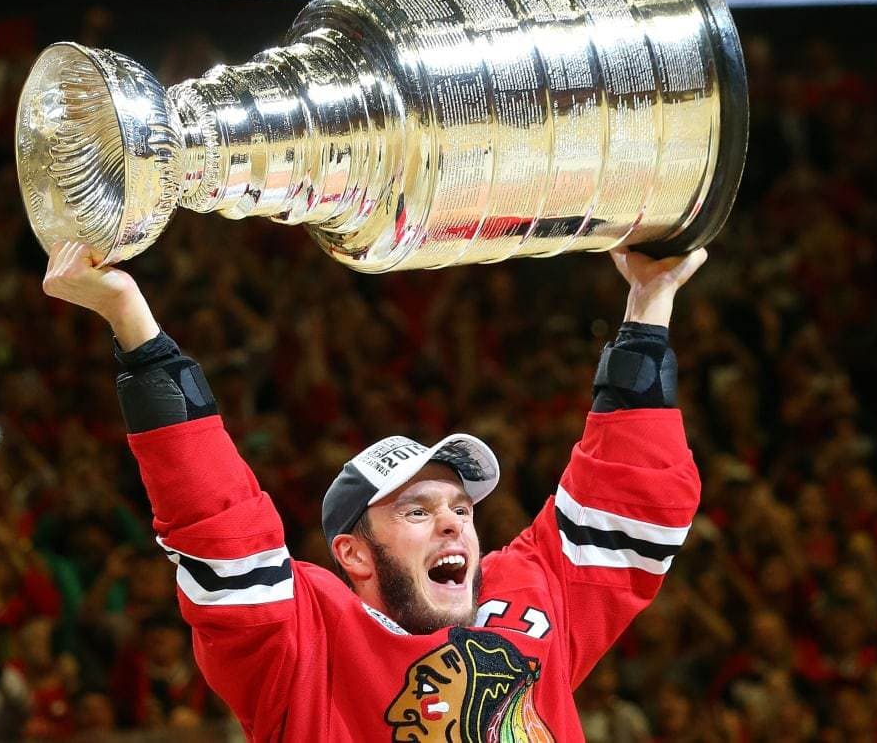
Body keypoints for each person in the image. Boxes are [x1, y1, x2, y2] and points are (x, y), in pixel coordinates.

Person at [42, 240, 705, 741]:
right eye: (416, 510)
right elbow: (221, 533)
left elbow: (632, 501)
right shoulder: (309, 649)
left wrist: (648, 308)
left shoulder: (525, 593)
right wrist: (135, 326)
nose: (453, 524)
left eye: (461, 508)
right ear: (353, 555)